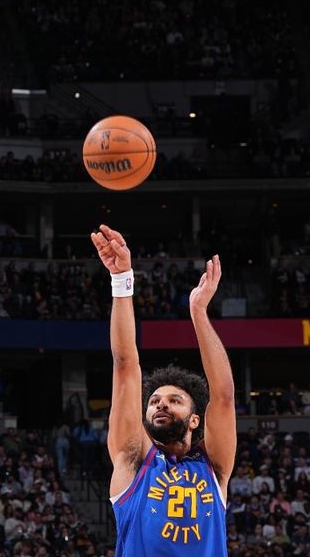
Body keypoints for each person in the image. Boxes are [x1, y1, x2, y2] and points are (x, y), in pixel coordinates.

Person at [90, 224, 235, 555]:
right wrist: (122, 280)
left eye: (174, 400)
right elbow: (126, 365)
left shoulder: (214, 468)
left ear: (195, 419)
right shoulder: (133, 460)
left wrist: (198, 312)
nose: (160, 405)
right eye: (154, 401)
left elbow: (223, 397)